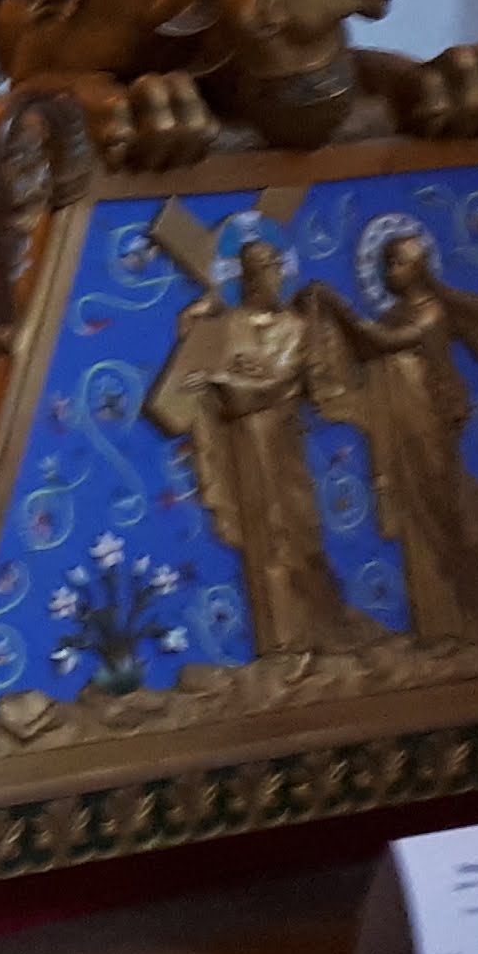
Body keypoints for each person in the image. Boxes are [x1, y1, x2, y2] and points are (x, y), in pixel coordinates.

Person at [304, 232, 478, 641]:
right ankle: (464, 620)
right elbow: (368, 348)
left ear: (419, 269)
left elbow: (383, 342)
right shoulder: (395, 314)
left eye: (397, 262)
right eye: (386, 263)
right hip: (407, 434)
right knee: (433, 524)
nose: (388, 271)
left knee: (453, 523)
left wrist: (337, 304)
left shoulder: (430, 312)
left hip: (428, 428)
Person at [147, 240, 352, 657]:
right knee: (262, 542)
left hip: (282, 448)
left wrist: (223, 380)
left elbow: (276, 383)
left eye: (276, 266)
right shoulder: (228, 324)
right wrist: (190, 332)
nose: (274, 275)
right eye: (265, 268)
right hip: (243, 449)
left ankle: (317, 632)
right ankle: (281, 646)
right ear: (248, 276)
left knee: (295, 534)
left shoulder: (296, 327)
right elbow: (191, 381)